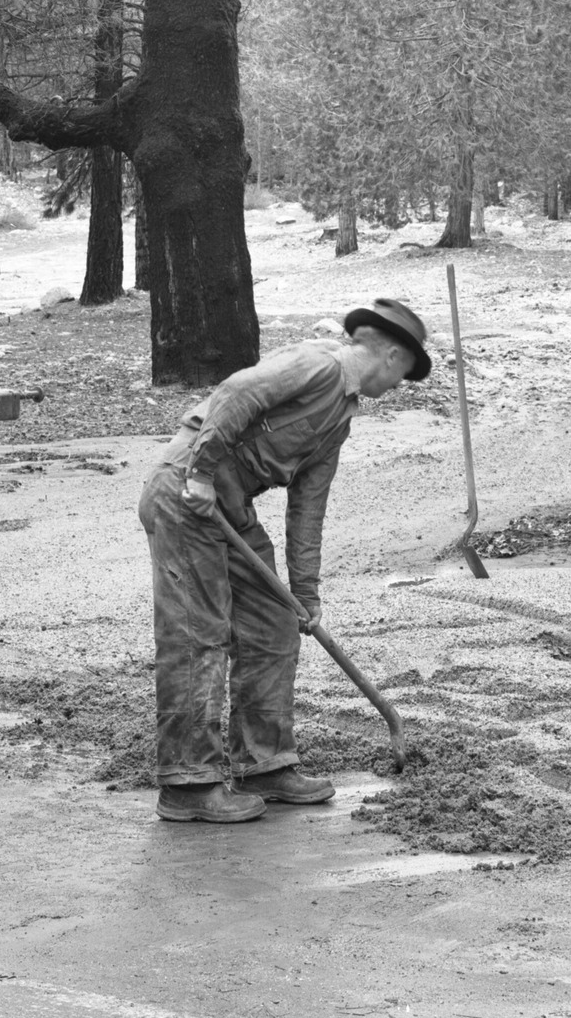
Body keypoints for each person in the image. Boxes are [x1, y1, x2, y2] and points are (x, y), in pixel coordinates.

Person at [137, 298, 432, 823]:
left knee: (274, 623)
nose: (401, 385)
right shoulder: (317, 364)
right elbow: (235, 393)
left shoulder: (339, 418)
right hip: (186, 493)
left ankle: (264, 764)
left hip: (229, 508)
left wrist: (305, 595)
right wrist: (202, 473)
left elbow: (308, 510)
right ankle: (188, 783)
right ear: (390, 355)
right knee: (197, 632)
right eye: (406, 372)